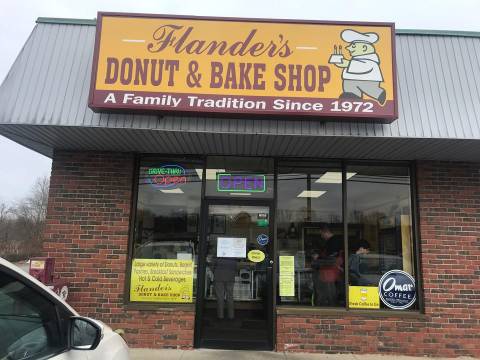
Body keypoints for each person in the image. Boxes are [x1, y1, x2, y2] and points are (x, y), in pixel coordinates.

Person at [333, 29, 386, 105]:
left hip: (368, 81)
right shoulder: (355, 59)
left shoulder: (370, 60)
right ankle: (353, 97)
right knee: (350, 87)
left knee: (367, 88)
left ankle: (379, 93)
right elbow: (349, 65)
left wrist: (347, 63)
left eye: (353, 46)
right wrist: (338, 62)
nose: (348, 48)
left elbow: (363, 66)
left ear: (364, 48)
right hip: (351, 81)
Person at [311, 224, 344, 306]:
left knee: (328, 293)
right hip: (330, 272)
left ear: (326, 232)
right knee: (329, 292)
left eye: (321, 234)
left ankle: (329, 308)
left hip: (329, 271)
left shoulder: (333, 241)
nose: (321, 236)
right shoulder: (335, 241)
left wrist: (318, 257)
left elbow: (331, 257)